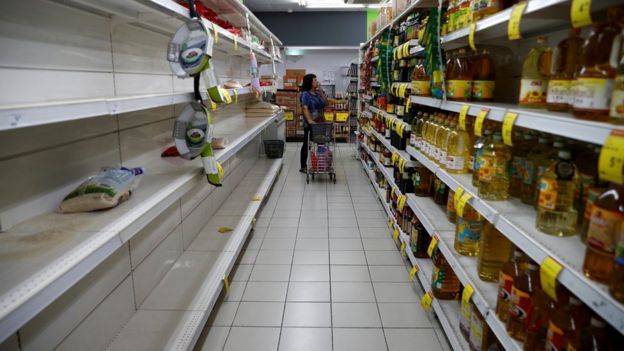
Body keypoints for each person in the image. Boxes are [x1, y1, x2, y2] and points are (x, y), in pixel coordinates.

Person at [299, 73, 328, 173]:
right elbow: (305, 108)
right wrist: (310, 121)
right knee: (307, 143)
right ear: (310, 82)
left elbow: (325, 103)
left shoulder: (317, 93)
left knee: (321, 143)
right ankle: (303, 166)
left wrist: (320, 90)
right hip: (310, 124)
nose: (317, 81)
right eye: (315, 80)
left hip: (320, 123)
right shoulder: (305, 94)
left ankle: (319, 164)